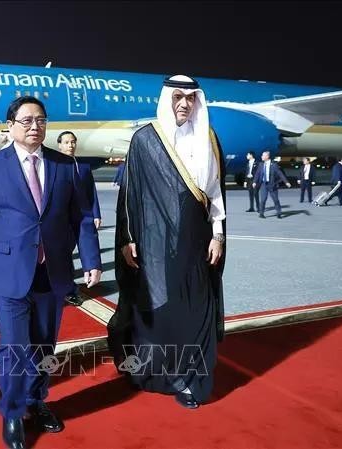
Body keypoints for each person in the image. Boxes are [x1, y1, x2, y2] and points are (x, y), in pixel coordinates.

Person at [0, 96, 102, 449]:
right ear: (10, 125)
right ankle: (12, 412)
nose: (34, 126)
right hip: (9, 271)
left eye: (40, 120)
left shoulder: (65, 166)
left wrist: (91, 261)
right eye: (26, 120)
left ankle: (35, 400)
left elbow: (82, 218)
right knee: (14, 346)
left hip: (53, 272)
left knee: (44, 344)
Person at [107, 75, 226, 410]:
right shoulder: (145, 139)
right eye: (177, 97)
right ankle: (157, 371)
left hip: (198, 241)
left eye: (190, 98)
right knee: (160, 308)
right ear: (166, 100)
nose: (184, 104)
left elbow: (215, 194)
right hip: (153, 243)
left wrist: (218, 234)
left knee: (196, 308)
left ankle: (190, 380)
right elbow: (131, 195)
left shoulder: (209, 139)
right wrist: (128, 239)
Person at [56, 130, 102, 306]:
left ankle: (68, 287)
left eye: (73, 142)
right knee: (63, 255)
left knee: (70, 254)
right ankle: (67, 288)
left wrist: (95, 214)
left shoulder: (83, 167)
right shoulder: (54, 165)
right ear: (59, 145)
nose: (70, 145)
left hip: (81, 217)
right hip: (61, 221)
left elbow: (91, 193)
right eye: (66, 142)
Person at [253, 150, 291, 218]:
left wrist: (286, 182)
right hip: (263, 184)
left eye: (263, 155)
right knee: (263, 199)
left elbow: (280, 173)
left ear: (267, 156)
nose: (261, 157)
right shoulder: (261, 164)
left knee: (275, 199)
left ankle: (279, 213)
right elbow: (257, 174)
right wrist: (254, 182)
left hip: (272, 184)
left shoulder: (274, 165)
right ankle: (261, 213)